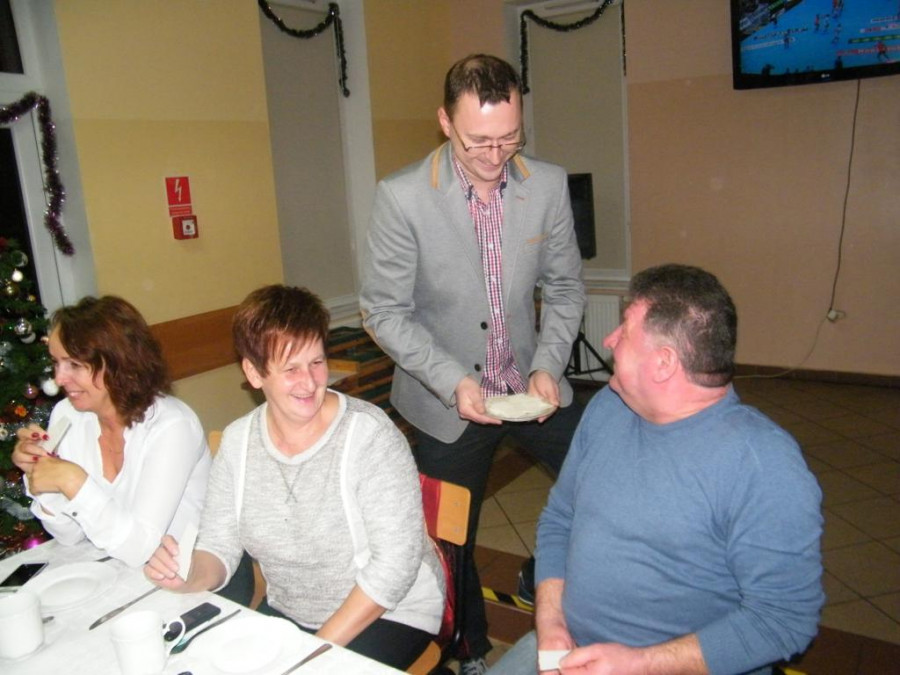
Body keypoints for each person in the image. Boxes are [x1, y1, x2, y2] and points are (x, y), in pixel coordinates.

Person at [359, 53, 586, 674]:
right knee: (449, 544)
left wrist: (548, 363)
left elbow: (565, 288)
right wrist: (452, 379)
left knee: (604, 480)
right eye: (478, 141)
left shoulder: (547, 184)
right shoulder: (403, 197)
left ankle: (553, 579)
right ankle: (471, 651)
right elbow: (383, 312)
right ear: (444, 122)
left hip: (532, 384)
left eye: (509, 138)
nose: (495, 155)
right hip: (449, 401)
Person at [490, 264, 824, 675]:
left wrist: (640, 664)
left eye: (624, 332)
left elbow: (783, 621)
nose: (609, 340)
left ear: (663, 363)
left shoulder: (762, 464)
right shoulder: (609, 407)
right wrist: (552, 621)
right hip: (569, 646)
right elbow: (561, 518)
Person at [144, 285, 444, 670]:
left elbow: (394, 568)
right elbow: (219, 543)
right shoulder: (238, 442)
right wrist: (188, 578)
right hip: (292, 613)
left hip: (389, 612)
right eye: (290, 369)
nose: (310, 381)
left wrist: (309, 653)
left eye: (316, 361)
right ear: (254, 372)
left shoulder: (369, 436)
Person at [12, 296, 210, 567]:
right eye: (56, 363)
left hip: (192, 571)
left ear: (119, 364)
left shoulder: (172, 426)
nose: (59, 379)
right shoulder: (68, 415)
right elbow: (69, 536)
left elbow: (140, 549)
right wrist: (41, 472)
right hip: (121, 571)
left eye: (74, 365)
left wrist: (73, 482)